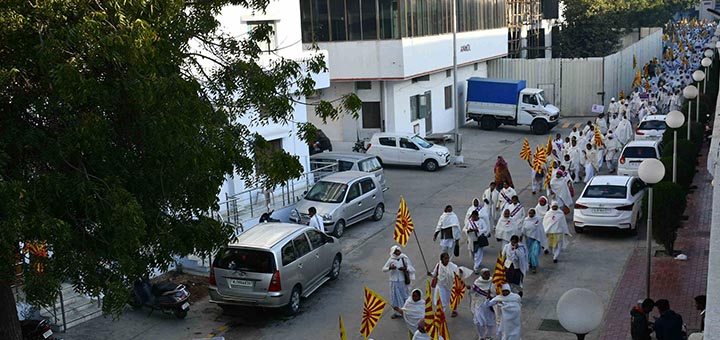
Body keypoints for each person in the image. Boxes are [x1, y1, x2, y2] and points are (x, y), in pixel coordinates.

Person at [382, 245, 416, 318]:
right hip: (394, 281)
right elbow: (384, 269)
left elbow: (411, 267)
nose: (398, 252)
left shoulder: (404, 258)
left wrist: (405, 268)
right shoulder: (391, 259)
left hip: (402, 280)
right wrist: (390, 268)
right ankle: (397, 312)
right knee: (395, 297)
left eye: (398, 251)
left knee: (404, 296)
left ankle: (406, 311)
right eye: (396, 251)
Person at [429, 252, 463, 317]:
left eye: (448, 258)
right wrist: (430, 274)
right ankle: (440, 314)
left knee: (452, 299)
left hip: (450, 286)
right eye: (445, 258)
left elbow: (458, 273)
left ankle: (454, 310)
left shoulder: (452, 266)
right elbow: (434, 274)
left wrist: (460, 272)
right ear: (441, 259)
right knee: (441, 301)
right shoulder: (438, 265)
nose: (447, 260)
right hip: (441, 286)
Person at [468, 268, 496, 340]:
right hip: (479, 305)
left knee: (490, 322)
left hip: (489, 305)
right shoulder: (477, 282)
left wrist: (491, 295)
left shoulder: (493, 281)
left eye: (488, 273)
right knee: (478, 322)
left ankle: (488, 336)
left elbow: (496, 292)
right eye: (485, 274)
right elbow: (472, 292)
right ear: (481, 275)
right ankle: (481, 336)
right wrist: (470, 289)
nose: (487, 275)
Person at [521, 209, 548, 273]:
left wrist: (542, 241)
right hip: (528, 239)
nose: (531, 215)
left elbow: (541, 230)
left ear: (534, 213)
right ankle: (530, 262)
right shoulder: (526, 220)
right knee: (529, 252)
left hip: (536, 239)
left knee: (534, 253)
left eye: (532, 213)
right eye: (530, 213)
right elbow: (523, 229)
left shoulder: (538, 220)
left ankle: (534, 266)